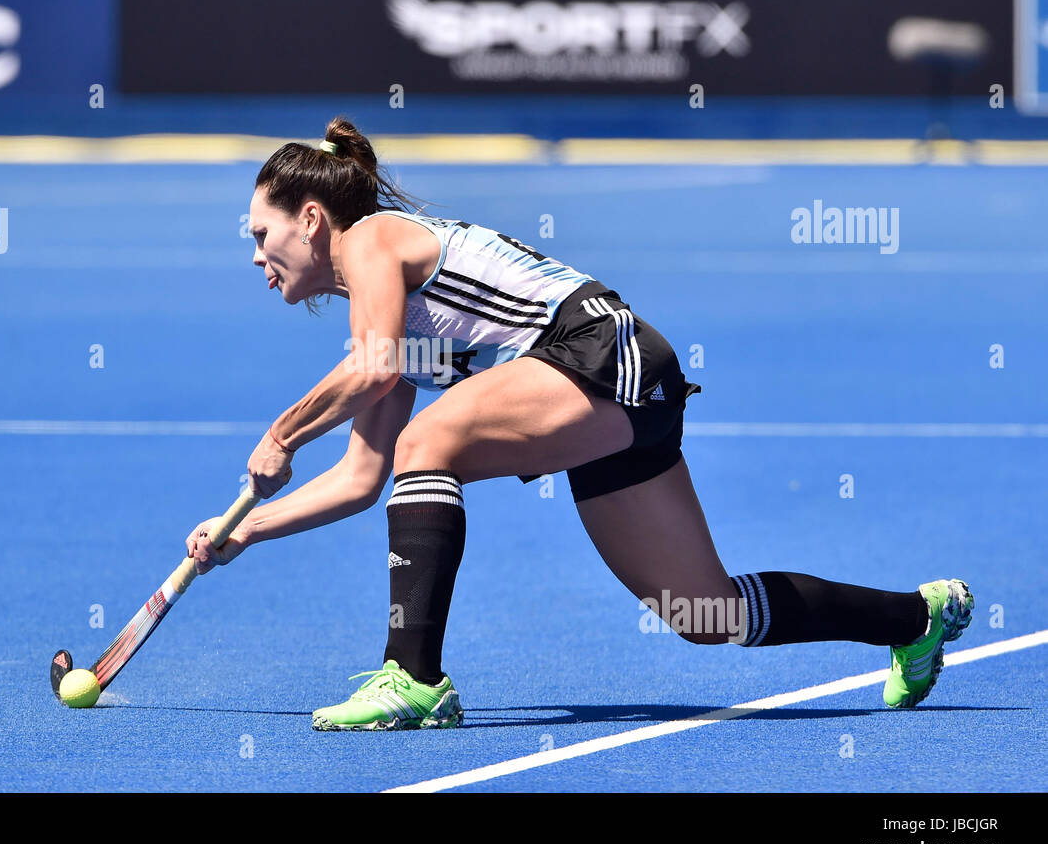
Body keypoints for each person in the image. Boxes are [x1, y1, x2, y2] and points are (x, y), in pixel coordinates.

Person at [185, 117, 973, 731]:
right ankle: (915, 618)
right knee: (705, 612)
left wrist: (281, 434)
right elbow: (364, 477)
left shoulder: (372, 239)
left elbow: (378, 369)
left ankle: (413, 678)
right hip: (614, 397)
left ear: (313, 219)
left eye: (262, 234)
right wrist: (249, 531)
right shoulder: (377, 312)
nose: (259, 256)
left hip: (600, 351)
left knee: (431, 444)